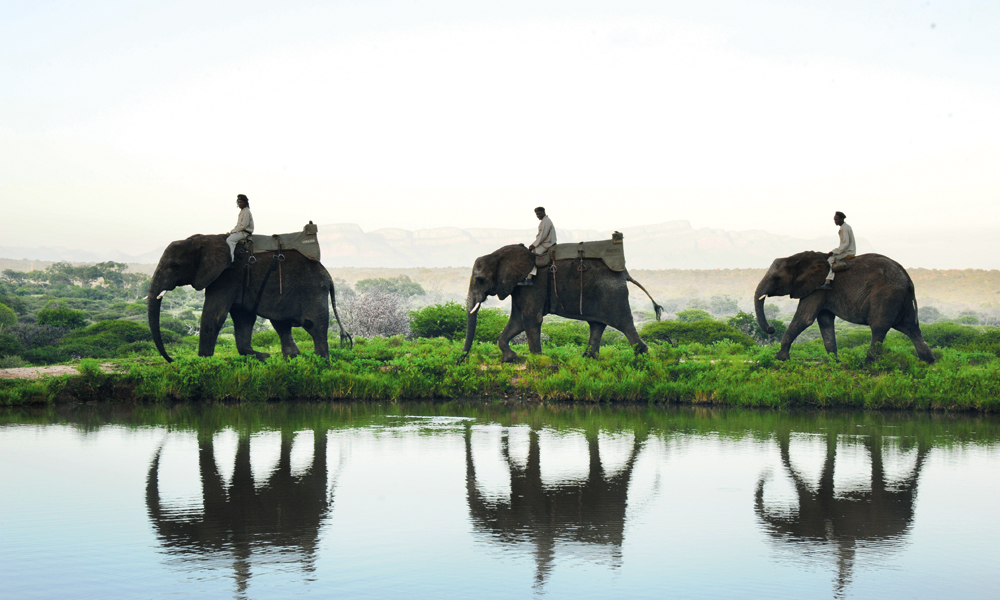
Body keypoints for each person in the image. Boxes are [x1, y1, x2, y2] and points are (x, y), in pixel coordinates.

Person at [520, 207, 556, 286]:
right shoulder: (544, 221)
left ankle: (529, 278)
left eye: (539, 214)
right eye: (537, 214)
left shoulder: (546, 221)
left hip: (547, 244)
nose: (538, 216)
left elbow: (542, 236)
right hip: (545, 243)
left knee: (532, 256)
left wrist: (533, 245)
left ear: (543, 212)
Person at [818, 211, 855, 290]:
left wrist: (834, 251)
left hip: (848, 252)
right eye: (834, 220)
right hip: (849, 250)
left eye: (837, 219)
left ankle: (828, 282)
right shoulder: (846, 227)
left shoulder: (844, 228)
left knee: (830, 260)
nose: (835, 221)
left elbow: (845, 244)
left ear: (841, 219)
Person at [226, 194, 254, 265]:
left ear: (245, 202)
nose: (239, 204)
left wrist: (233, 231)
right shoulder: (242, 211)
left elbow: (243, 226)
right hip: (240, 231)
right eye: (238, 202)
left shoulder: (246, 212)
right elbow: (239, 225)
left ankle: (231, 260)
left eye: (241, 202)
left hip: (244, 232)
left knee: (230, 240)